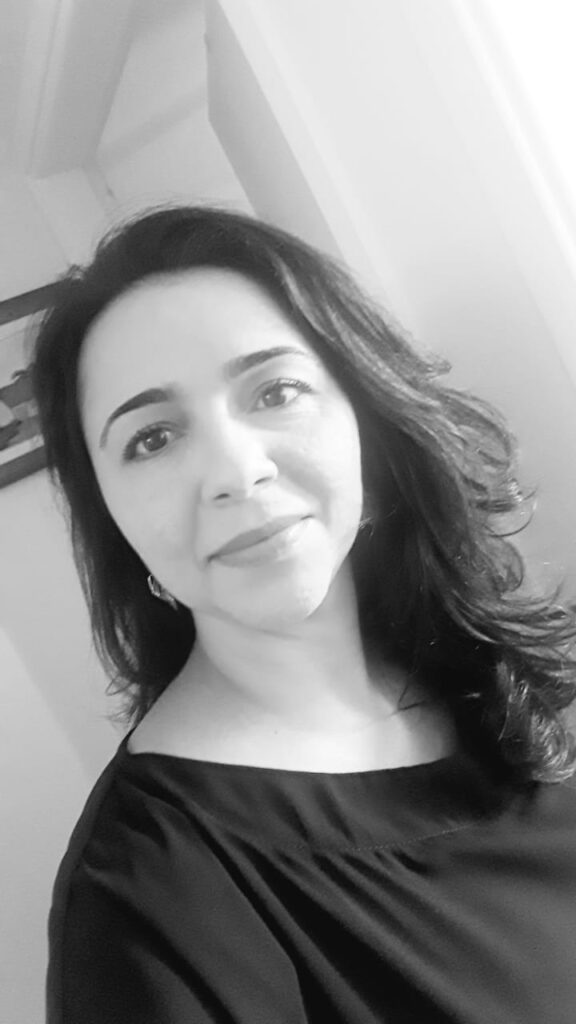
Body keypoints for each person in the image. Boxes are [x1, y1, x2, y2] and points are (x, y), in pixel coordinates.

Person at [33, 205, 576, 1024]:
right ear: (113, 521)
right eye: (153, 438)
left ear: (366, 418)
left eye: (275, 391)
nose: (235, 470)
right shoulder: (143, 902)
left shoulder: (484, 672)